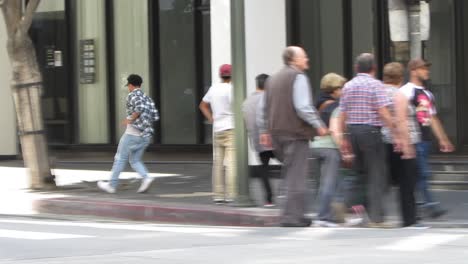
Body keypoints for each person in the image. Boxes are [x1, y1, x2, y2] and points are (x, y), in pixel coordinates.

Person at [258, 46, 327, 227]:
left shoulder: (272, 80)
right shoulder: (298, 77)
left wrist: (264, 131)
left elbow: (262, 109)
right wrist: (318, 124)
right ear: (293, 60)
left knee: (289, 174)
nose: (307, 60)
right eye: (304, 57)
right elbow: (303, 107)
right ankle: (293, 217)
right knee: (297, 175)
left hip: (277, 134)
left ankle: (292, 214)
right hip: (295, 133)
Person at [339, 53, 396, 227]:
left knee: (358, 173)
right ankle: (377, 218)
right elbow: (383, 111)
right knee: (376, 175)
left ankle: (346, 205)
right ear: (373, 68)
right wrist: (395, 129)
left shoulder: (348, 86)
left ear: (357, 68)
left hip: (353, 132)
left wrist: (343, 138)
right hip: (370, 132)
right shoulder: (375, 85)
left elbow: (342, 114)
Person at [400, 58, 454, 219]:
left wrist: (443, 139)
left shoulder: (427, 94)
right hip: (413, 138)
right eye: (423, 68)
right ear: (413, 71)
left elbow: (433, 118)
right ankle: (427, 205)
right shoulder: (406, 91)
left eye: (427, 68)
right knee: (420, 173)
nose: (427, 71)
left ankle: (421, 205)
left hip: (424, 139)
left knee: (420, 174)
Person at [98, 74, 159, 194]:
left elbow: (139, 108)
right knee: (135, 160)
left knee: (120, 158)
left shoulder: (132, 95)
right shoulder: (147, 98)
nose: (128, 88)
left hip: (132, 134)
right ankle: (146, 178)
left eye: (128, 86)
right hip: (145, 135)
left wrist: (130, 119)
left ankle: (111, 185)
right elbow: (155, 115)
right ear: (140, 85)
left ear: (130, 85)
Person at [381, 62, 421, 227]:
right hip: (402, 142)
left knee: (385, 180)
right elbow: (401, 120)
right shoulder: (399, 95)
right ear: (400, 77)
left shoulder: (379, 93)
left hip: (384, 141)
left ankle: (375, 214)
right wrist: (407, 145)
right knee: (407, 183)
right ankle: (409, 219)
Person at [310, 73, 346, 227]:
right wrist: (343, 149)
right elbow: (335, 130)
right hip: (329, 147)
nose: (343, 90)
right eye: (341, 87)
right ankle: (323, 217)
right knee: (329, 183)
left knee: (324, 183)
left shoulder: (317, 102)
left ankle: (327, 214)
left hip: (315, 146)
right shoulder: (334, 106)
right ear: (334, 89)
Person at [199, 64, 236, 204]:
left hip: (217, 128)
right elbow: (236, 106)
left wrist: (211, 118)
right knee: (231, 163)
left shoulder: (213, 88)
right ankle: (232, 194)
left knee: (218, 163)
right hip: (231, 128)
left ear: (221, 75)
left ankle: (218, 195)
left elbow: (202, 105)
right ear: (231, 75)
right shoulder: (232, 89)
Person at [242, 73, 275, 207]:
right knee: (290, 163)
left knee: (264, 169)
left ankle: (268, 199)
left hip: (257, 141)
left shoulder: (246, 102)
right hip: (273, 139)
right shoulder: (269, 99)